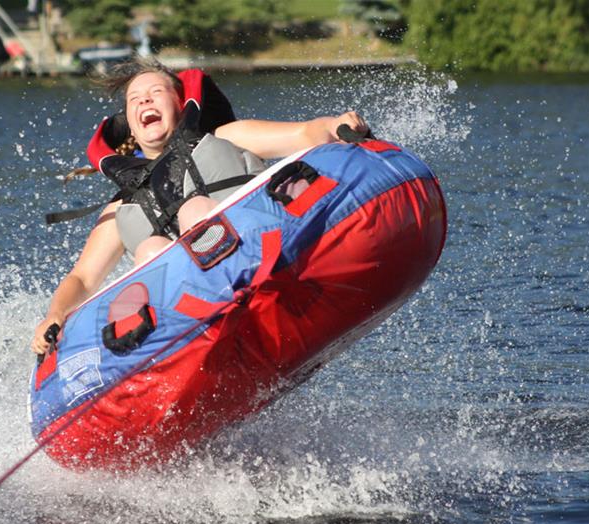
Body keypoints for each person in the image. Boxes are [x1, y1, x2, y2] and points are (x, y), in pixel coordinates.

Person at [31, 59, 368, 355]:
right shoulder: (124, 205)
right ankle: (196, 326)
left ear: (181, 103)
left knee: (194, 211)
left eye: (156, 92)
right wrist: (56, 314)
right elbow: (83, 278)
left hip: (269, 257)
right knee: (150, 248)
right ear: (131, 126)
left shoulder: (226, 137)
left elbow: (306, 134)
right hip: (191, 316)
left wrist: (337, 124)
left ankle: (234, 286)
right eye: (135, 99)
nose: (145, 99)